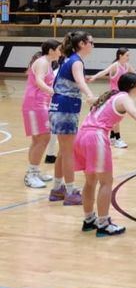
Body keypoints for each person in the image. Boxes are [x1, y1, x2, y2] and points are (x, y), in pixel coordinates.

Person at [77, 73, 136, 237]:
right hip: (96, 137)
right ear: (132, 86)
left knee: (90, 181)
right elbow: (134, 113)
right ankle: (103, 223)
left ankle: (89, 220)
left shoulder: (111, 95)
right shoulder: (124, 98)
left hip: (82, 134)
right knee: (106, 182)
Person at [48, 31, 97, 205]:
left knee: (63, 151)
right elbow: (80, 81)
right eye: (91, 42)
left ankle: (57, 189)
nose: (93, 45)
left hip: (59, 105)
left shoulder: (70, 59)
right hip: (66, 107)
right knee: (68, 152)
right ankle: (70, 192)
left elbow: (76, 81)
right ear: (82, 44)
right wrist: (90, 95)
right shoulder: (76, 61)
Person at [86, 47, 136, 148]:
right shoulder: (115, 66)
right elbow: (104, 71)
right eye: (127, 55)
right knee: (116, 119)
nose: (128, 57)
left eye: (129, 55)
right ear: (120, 56)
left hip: (122, 96)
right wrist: (94, 77)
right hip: (114, 96)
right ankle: (117, 139)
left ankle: (113, 138)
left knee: (117, 119)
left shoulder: (127, 66)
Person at [22, 39, 61, 188]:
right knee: (43, 138)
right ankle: (30, 175)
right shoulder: (43, 62)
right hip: (34, 104)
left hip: (40, 104)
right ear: (51, 50)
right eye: (58, 49)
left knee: (38, 139)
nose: (60, 52)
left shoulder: (47, 63)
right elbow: (39, 81)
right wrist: (55, 93)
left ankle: (34, 171)